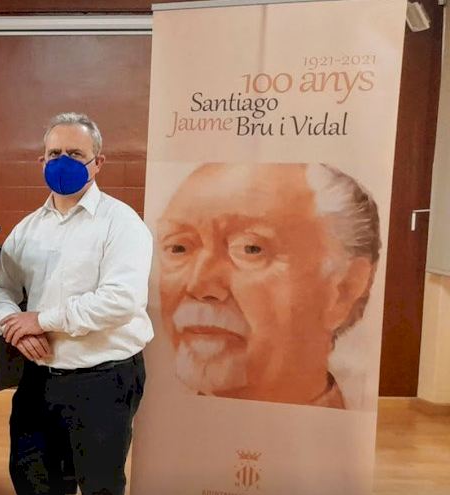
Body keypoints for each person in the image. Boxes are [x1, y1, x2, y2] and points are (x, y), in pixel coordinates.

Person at [0, 112, 152, 495]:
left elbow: (120, 299)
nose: (63, 162)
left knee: (100, 494)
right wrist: (12, 324)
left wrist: (42, 320)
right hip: (41, 377)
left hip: (105, 377)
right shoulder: (29, 228)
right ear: (41, 160)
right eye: (55, 153)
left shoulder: (121, 223)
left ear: (98, 163)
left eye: (75, 154)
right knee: (31, 477)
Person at [156, 162, 380, 409]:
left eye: (251, 249)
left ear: (343, 289)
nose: (199, 284)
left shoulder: (342, 432)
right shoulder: (164, 427)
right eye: (178, 248)